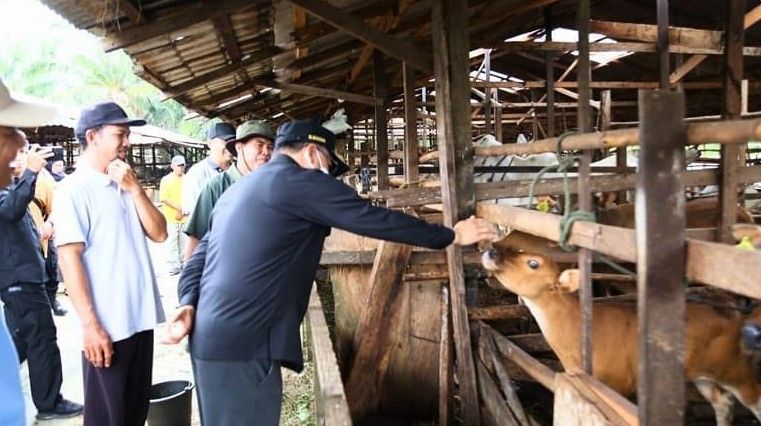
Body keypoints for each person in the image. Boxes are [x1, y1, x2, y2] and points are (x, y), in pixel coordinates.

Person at [165, 118, 497, 425]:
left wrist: (187, 301)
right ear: (311, 153)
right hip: (245, 344)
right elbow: (374, 219)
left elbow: (199, 258)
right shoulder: (300, 181)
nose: (330, 175)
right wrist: (452, 235)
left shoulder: (238, 190)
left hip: (210, 340)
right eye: (328, 163)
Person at [54, 101, 168, 426]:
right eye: (120, 134)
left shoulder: (125, 185)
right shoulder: (73, 191)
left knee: (133, 416)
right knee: (108, 420)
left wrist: (135, 190)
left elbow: (159, 233)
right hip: (108, 329)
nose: (127, 142)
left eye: (127, 135)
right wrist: (90, 326)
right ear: (93, 136)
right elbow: (69, 258)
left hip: (139, 320)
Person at [0, 79, 64, 425]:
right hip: (18, 282)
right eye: (15, 147)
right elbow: (9, 210)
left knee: (21, 343)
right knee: (41, 339)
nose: (20, 156)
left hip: (24, 277)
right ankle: (50, 402)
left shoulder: (9, 186)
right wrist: (31, 175)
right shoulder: (12, 189)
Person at [183, 119, 274, 258]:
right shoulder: (217, 187)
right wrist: (191, 278)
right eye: (259, 145)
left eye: (270, 147)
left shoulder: (274, 187)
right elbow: (196, 240)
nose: (266, 152)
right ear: (239, 147)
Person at [20, 156, 67, 316]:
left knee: (50, 269)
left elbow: (57, 206)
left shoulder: (44, 178)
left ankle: (52, 300)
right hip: (18, 237)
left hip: (42, 233)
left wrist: (51, 224)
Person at [181, 122, 234, 224]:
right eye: (226, 141)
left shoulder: (239, 171)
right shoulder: (196, 174)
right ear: (210, 143)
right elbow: (193, 217)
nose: (230, 145)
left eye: (233, 141)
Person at [159, 154, 187, 275]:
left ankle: (183, 263)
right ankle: (174, 264)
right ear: (172, 166)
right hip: (171, 216)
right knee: (172, 241)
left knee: (184, 241)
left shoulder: (188, 178)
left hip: (185, 216)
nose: (181, 168)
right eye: (179, 165)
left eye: (183, 165)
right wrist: (178, 208)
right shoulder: (166, 180)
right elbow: (164, 198)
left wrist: (184, 209)